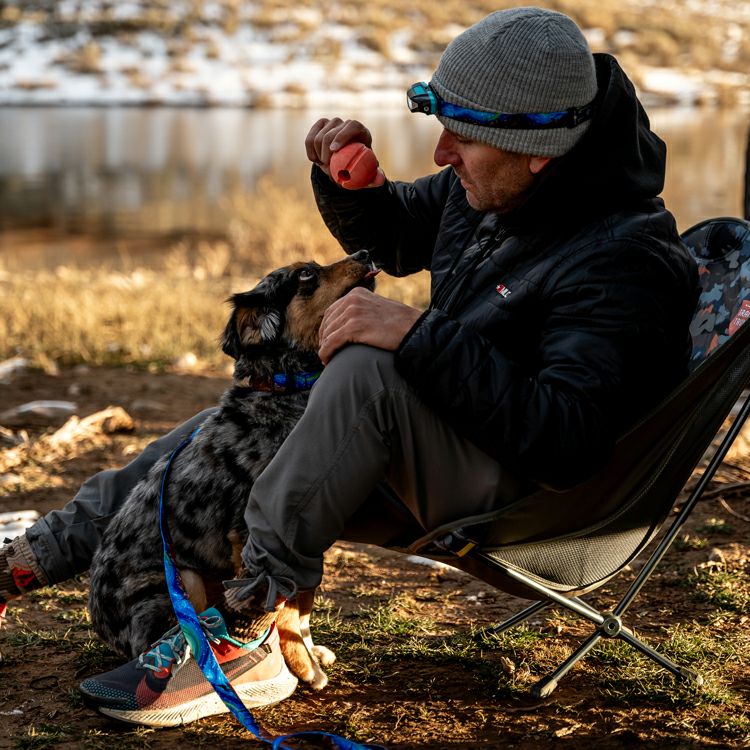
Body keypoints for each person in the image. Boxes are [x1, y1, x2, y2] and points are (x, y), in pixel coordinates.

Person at [1, 6, 698, 727]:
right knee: (239, 424)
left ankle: (249, 628)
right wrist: (353, 188)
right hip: (461, 442)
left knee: (366, 370)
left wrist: (417, 338)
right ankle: (32, 559)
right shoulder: (504, 186)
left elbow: (567, 439)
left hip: (541, 505)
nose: (441, 153)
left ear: (537, 151)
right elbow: (400, 234)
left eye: (462, 136)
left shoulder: (623, 260)